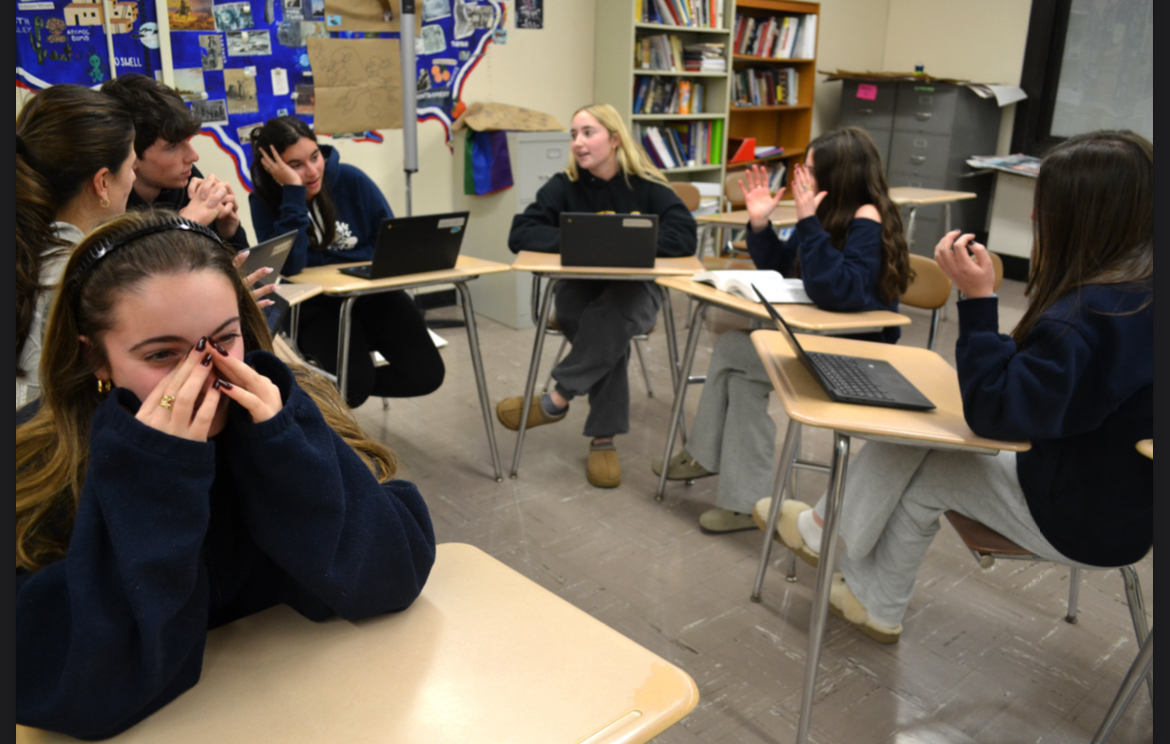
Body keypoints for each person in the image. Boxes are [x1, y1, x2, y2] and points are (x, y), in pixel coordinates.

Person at [15, 212, 437, 739]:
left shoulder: (289, 408)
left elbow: (392, 575)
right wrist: (153, 473)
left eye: (223, 341)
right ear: (96, 358)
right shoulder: (37, 464)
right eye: (162, 355)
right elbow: (70, 689)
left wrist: (287, 444)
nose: (204, 374)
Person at [760, 130, 1153, 644]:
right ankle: (854, 575)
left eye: (1045, 205)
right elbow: (1040, 395)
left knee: (927, 454)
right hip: (1118, 502)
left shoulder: (1085, 318)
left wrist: (978, 300)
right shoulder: (1131, 300)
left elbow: (996, 412)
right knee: (921, 446)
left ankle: (843, 559)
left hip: (1080, 512)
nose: (1035, 217)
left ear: (1085, 217)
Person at [654, 127, 912, 533]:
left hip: (854, 358)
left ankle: (707, 459)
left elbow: (839, 291)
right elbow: (783, 267)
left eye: (809, 170)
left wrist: (808, 221)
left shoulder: (867, 218)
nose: (800, 178)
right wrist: (760, 225)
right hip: (817, 340)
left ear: (837, 174)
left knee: (734, 351)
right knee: (741, 374)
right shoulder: (831, 212)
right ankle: (743, 503)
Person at [496, 103, 698, 488]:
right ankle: (602, 439)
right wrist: (582, 239)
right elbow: (520, 233)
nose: (578, 142)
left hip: (636, 291)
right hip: (581, 288)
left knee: (615, 314)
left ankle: (558, 398)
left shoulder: (649, 186)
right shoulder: (563, 185)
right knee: (600, 324)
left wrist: (630, 241)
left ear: (615, 138)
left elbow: (684, 237)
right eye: (573, 134)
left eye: (588, 132)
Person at [248, 116, 445, 408]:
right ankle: (338, 389)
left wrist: (325, 259)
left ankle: (322, 393)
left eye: (315, 157)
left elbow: (386, 246)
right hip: (314, 305)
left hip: (371, 294)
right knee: (355, 387)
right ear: (272, 167)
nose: (312, 171)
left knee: (427, 374)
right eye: (295, 165)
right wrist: (293, 193)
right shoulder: (265, 201)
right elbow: (291, 267)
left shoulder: (352, 179)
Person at [16, 84, 137, 408]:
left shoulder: (29, 249)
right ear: (102, 183)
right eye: (132, 168)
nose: (132, 180)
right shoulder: (81, 277)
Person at [101, 73, 248, 250]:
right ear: (130, 154)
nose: (193, 156)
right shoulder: (109, 207)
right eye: (172, 147)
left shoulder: (186, 181)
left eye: (187, 140)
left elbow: (243, 273)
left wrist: (229, 232)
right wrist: (185, 226)